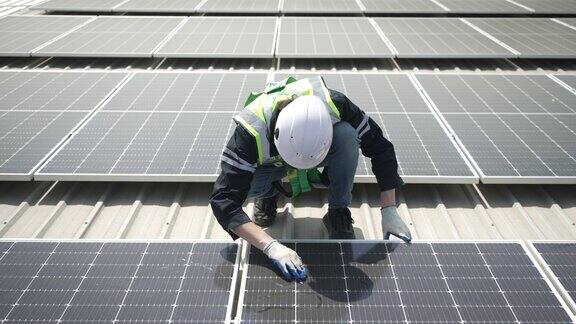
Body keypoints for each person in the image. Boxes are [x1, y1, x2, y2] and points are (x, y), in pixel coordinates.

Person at [209, 76, 411, 282]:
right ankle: (269, 195)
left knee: (348, 136)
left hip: (317, 155)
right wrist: (270, 246)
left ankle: (338, 210)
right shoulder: (250, 131)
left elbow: (380, 148)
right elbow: (223, 200)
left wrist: (389, 209)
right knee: (244, 184)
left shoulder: (336, 104)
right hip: (271, 165)